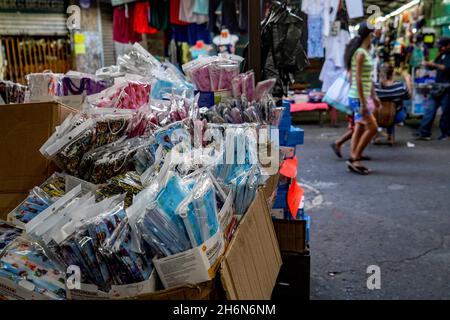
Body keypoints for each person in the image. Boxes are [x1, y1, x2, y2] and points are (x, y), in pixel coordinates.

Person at [344, 22, 380, 175]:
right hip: (358, 98)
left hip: (361, 96)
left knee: (359, 127)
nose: (375, 35)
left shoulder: (364, 52)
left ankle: (355, 158)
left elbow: (367, 78)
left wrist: (374, 96)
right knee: (372, 128)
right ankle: (355, 158)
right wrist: (364, 102)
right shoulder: (360, 53)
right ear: (368, 34)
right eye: (373, 32)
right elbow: (357, 79)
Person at [416, 36, 450, 141]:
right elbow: (433, 66)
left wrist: (433, 64)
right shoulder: (442, 55)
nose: (440, 48)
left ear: (448, 45)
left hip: (447, 87)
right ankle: (424, 132)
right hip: (437, 86)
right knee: (430, 109)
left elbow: (445, 68)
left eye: (442, 46)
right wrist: (427, 63)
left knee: (446, 112)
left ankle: (446, 133)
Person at [374, 64, 411, 145]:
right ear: (393, 73)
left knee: (383, 110)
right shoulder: (400, 86)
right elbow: (408, 97)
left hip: (377, 116)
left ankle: (376, 135)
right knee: (395, 109)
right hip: (396, 116)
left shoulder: (375, 87)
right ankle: (391, 136)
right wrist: (408, 81)